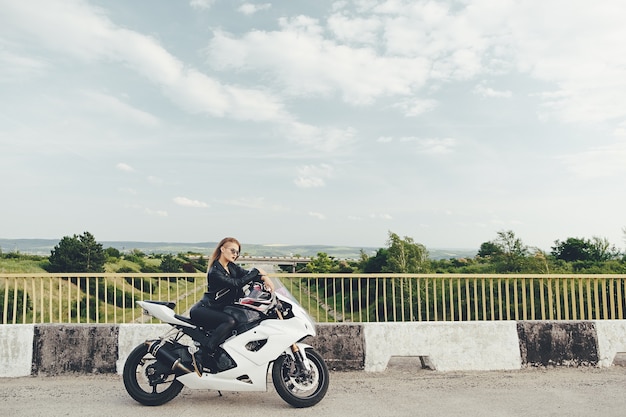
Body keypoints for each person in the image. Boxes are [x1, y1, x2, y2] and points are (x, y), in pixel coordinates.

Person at [189, 237, 274, 370]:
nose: (235, 254)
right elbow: (237, 283)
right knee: (230, 321)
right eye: (232, 250)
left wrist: (264, 277)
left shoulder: (231, 267)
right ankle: (204, 354)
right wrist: (257, 271)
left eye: (237, 252)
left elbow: (247, 274)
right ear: (222, 249)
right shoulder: (215, 271)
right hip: (205, 309)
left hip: (219, 308)